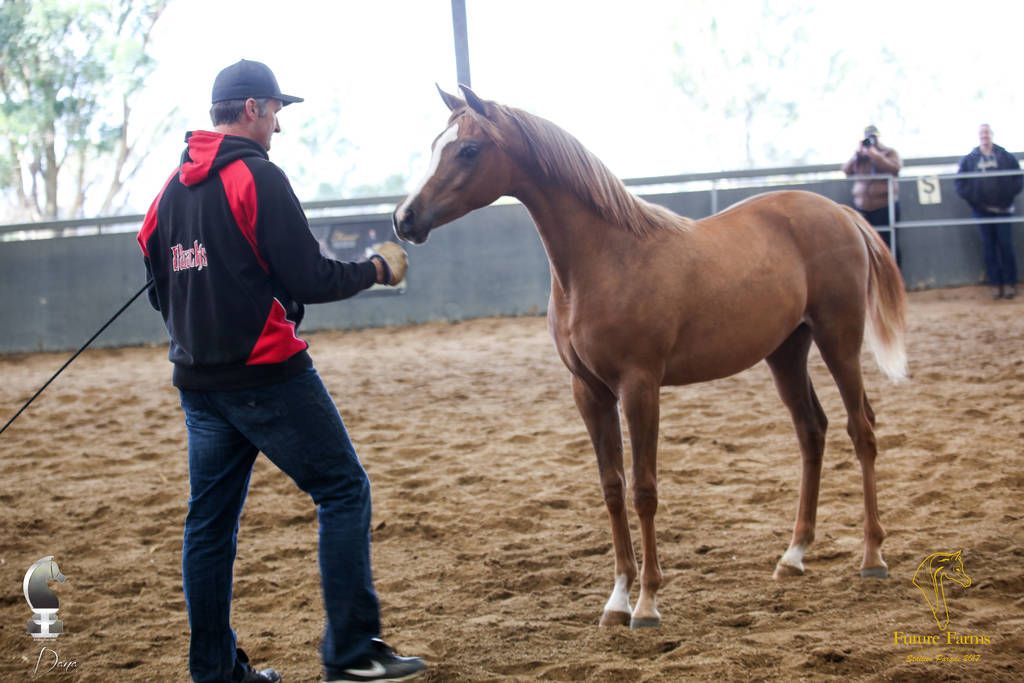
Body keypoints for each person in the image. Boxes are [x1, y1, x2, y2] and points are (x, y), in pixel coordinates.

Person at [136, 59, 426, 683]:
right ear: (249, 110)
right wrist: (376, 269)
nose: (277, 126)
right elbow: (310, 279)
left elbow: (157, 281)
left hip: (199, 385)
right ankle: (352, 654)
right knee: (344, 489)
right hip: (266, 375)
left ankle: (215, 674)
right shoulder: (258, 177)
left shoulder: (169, 191)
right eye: (274, 112)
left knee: (208, 524)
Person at [954, 123, 1023, 299]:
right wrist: (974, 199)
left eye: (986, 132)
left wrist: (1008, 195)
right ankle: (995, 284)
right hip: (982, 210)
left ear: (992, 134)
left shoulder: (1005, 156)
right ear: (978, 136)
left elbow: (1018, 177)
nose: (984, 136)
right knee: (989, 247)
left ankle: (1010, 283)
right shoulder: (970, 159)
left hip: (1004, 209)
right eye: (981, 133)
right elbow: (959, 183)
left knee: (1005, 245)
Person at [842, 124, 903, 253]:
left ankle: (893, 271)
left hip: (885, 206)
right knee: (863, 244)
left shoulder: (889, 152)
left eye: (873, 137)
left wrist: (875, 155)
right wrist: (857, 155)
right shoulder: (860, 156)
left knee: (888, 243)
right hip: (862, 206)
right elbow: (846, 171)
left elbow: (895, 168)